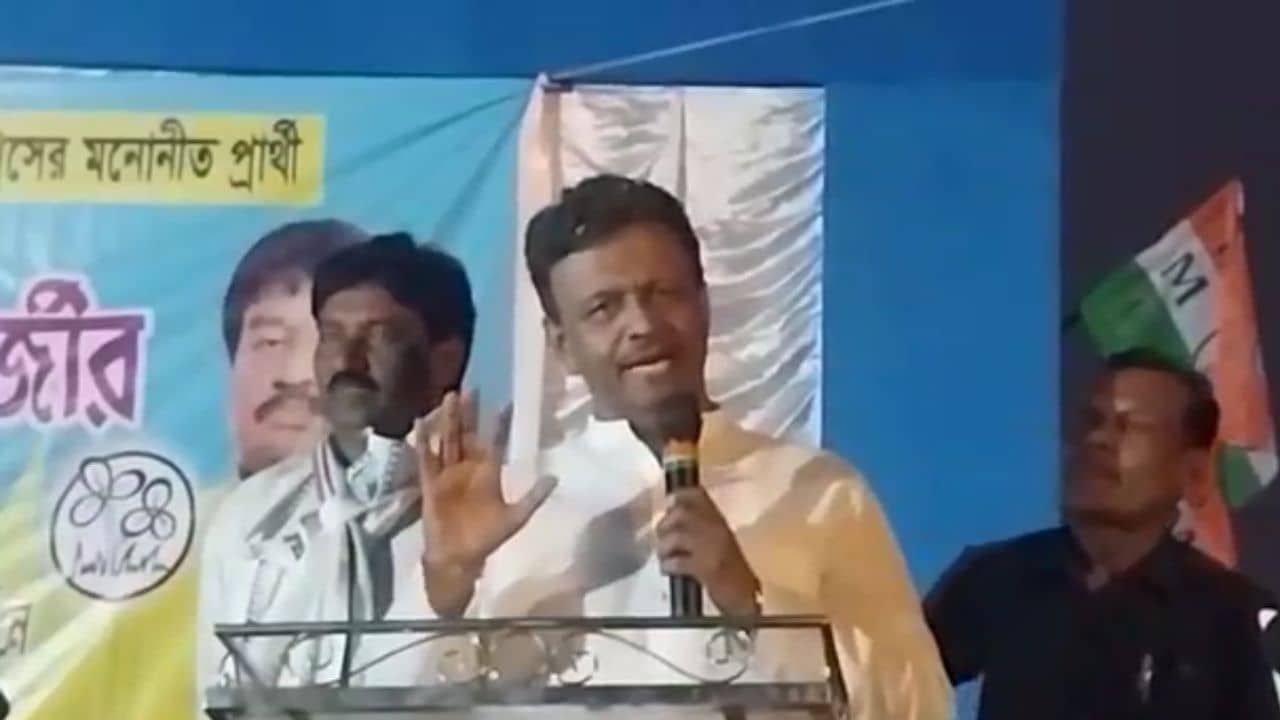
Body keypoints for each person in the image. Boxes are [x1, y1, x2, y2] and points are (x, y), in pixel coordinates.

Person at [414, 175, 951, 720]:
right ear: (562, 345)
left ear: (704, 305)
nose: (642, 325)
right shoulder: (507, 510)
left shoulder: (817, 491)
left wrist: (752, 605)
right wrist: (446, 596)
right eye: (603, 308)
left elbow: (919, 704)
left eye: (662, 294)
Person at [925, 350, 1280, 720]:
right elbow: (893, 686)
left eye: (1129, 426)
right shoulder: (993, 578)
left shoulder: (1234, 616)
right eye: (1091, 421)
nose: (1097, 439)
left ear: (1193, 473)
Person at [196, 233, 476, 701]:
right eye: (331, 336)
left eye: (379, 335)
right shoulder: (250, 517)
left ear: (444, 360)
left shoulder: (483, 518)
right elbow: (213, 700)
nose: (348, 361)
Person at [223, 219, 367, 479]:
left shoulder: (428, 503)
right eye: (271, 342)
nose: (295, 374)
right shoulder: (186, 505)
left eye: (327, 341)